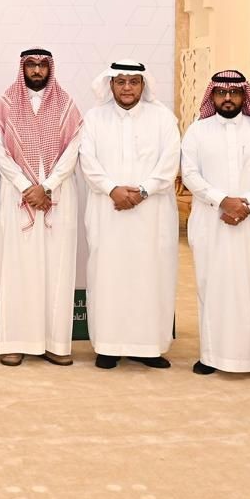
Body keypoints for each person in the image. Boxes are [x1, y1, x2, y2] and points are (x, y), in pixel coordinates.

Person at [180, 69, 250, 381]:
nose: (228, 98)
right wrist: (222, 200)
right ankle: (210, 356)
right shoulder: (198, 131)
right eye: (221, 92)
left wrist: (247, 203)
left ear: (244, 95)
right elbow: (189, 173)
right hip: (211, 221)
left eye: (234, 93)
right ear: (212, 96)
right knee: (212, 286)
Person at [79, 60, 181, 370]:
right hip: (107, 212)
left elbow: (169, 162)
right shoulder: (94, 118)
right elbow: (88, 160)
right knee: (108, 276)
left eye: (133, 82)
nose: (127, 88)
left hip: (152, 214)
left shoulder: (163, 118)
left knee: (151, 276)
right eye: (121, 81)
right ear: (110, 84)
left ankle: (148, 347)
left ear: (143, 85)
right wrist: (112, 189)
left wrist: (142, 192)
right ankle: (108, 346)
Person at [0, 47, 83, 366]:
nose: (36, 70)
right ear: (23, 68)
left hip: (58, 197)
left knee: (57, 269)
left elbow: (73, 151)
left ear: (49, 68)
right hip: (17, 199)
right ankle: (15, 342)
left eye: (42, 65)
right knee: (16, 269)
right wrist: (26, 187)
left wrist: (47, 186)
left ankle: (54, 342)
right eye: (31, 65)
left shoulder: (66, 105)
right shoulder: (5, 105)